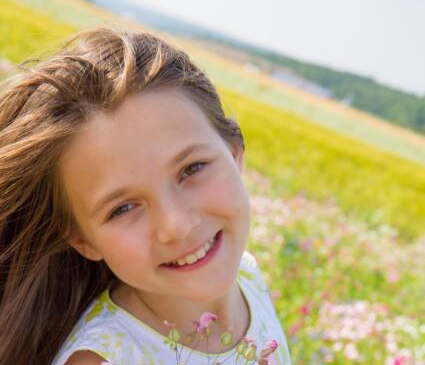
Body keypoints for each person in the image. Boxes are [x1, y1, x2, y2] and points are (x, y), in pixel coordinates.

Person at [0, 28, 291, 365]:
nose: (176, 225)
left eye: (192, 169)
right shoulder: (106, 359)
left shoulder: (248, 276)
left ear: (235, 152)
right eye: (123, 208)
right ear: (82, 240)